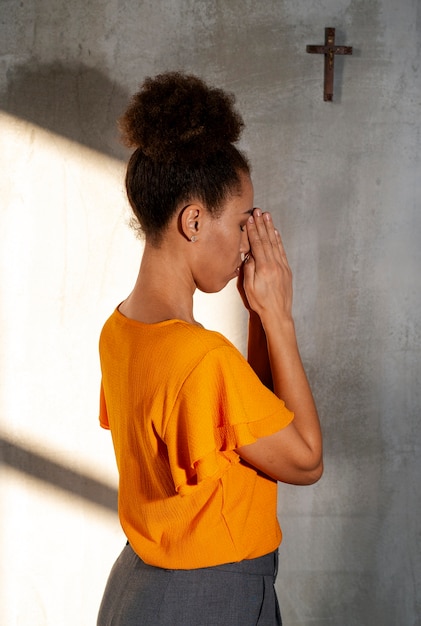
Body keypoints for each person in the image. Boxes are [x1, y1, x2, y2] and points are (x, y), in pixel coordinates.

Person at [97, 71, 323, 626]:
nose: (249, 240)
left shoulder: (120, 330)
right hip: (208, 598)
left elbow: (243, 428)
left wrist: (257, 321)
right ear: (194, 220)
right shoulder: (203, 357)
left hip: (141, 587)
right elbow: (306, 459)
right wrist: (280, 317)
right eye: (244, 221)